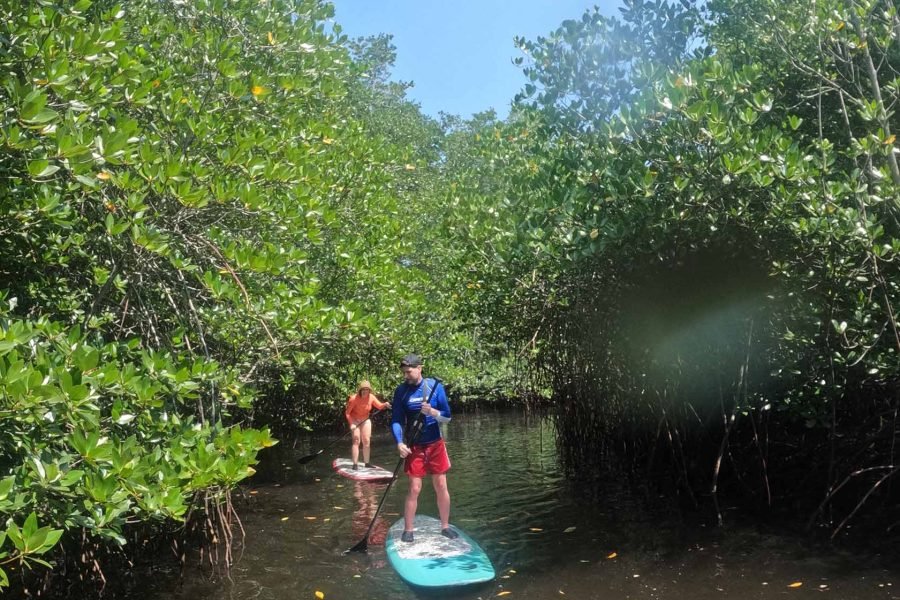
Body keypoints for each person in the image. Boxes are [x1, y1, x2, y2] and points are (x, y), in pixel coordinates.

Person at [391, 354, 458, 543]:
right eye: (404, 372)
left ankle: (445, 527)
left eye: (409, 371)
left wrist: (433, 412)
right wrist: (399, 442)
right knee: (414, 487)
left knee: (441, 485)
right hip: (414, 445)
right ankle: (408, 529)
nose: (406, 375)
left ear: (419, 368)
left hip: (435, 443)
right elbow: (396, 420)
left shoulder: (435, 388)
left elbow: (447, 417)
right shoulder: (401, 391)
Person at [345, 380, 390, 470]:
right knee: (356, 440)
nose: (365, 391)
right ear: (360, 390)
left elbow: (379, 406)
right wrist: (351, 424)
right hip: (355, 420)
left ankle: (367, 463)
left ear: (369, 390)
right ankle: (355, 464)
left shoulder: (371, 397)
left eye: (367, 389)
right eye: (363, 389)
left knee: (366, 440)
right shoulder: (353, 399)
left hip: (365, 419)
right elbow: (347, 413)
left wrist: (385, 404)